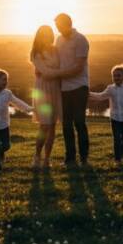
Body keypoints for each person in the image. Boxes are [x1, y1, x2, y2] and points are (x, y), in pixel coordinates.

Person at [38, 13, 90, 166]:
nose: (58, 30)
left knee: (79, 122)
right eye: (57, 27)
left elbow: (79, 67)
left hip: (79, 86)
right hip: (64, 88)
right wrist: (40, 69)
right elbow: (54, 60)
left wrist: (54, 74)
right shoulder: (59, 40)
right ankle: (70, 159)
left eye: (60, 26)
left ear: (69, 23)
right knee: (66, 125)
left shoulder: (81, 40)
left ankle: (84, 158)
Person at [29, 25, 63, 169]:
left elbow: (54, 69)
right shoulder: (36, 53)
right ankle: (37, 156)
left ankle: (47, 159)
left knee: (53, 126)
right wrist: (60, 72)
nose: (46, 37)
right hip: (43, 90)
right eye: (43, 34)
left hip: (56, 89)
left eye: (49, 34)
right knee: (45, 125)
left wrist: (54, 72)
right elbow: (44, 72)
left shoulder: (56, 50)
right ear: (39, 36)